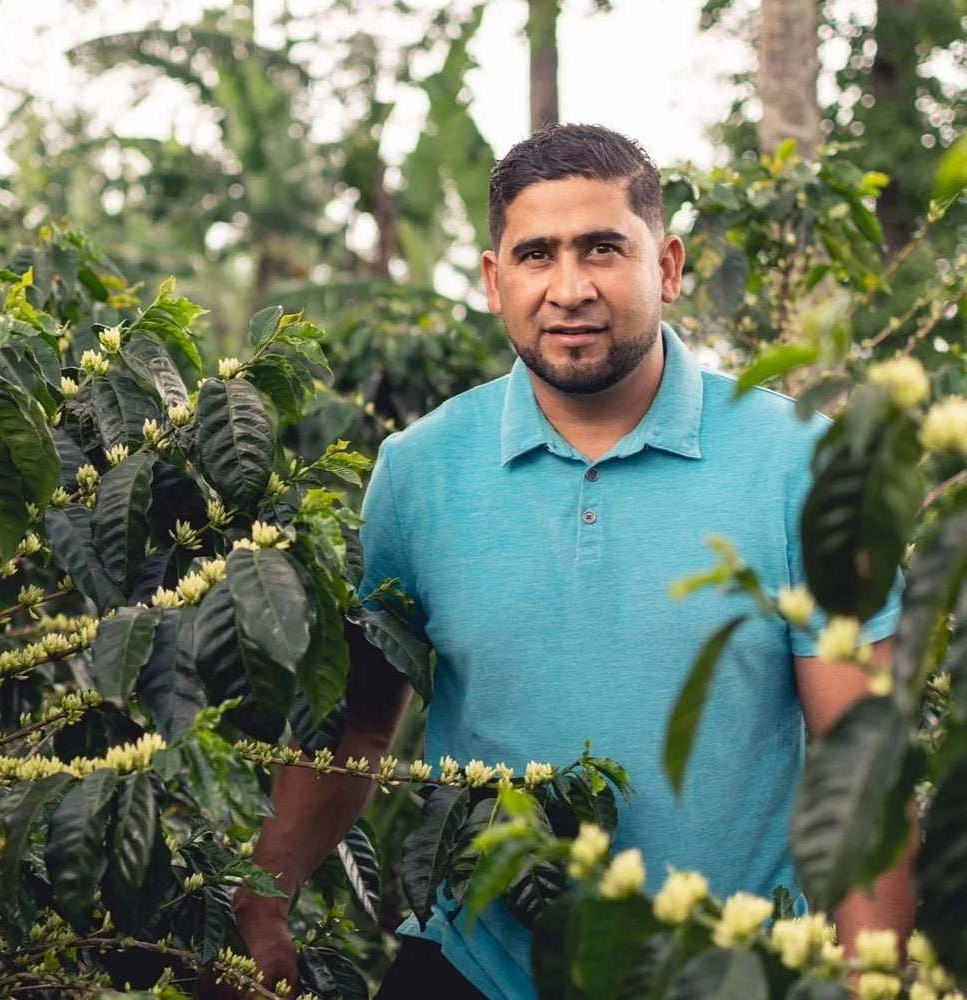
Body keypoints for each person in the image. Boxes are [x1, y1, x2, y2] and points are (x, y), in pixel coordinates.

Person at [228, 124, 915, 1000]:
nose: (569, 288)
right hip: (476, 961)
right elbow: (359, 726)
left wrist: (877, 983)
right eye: (536, 255)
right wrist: (263, 898)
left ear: (665, 266)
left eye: (602, 249)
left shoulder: (804, 466)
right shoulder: (420, 470)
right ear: (493, 279)